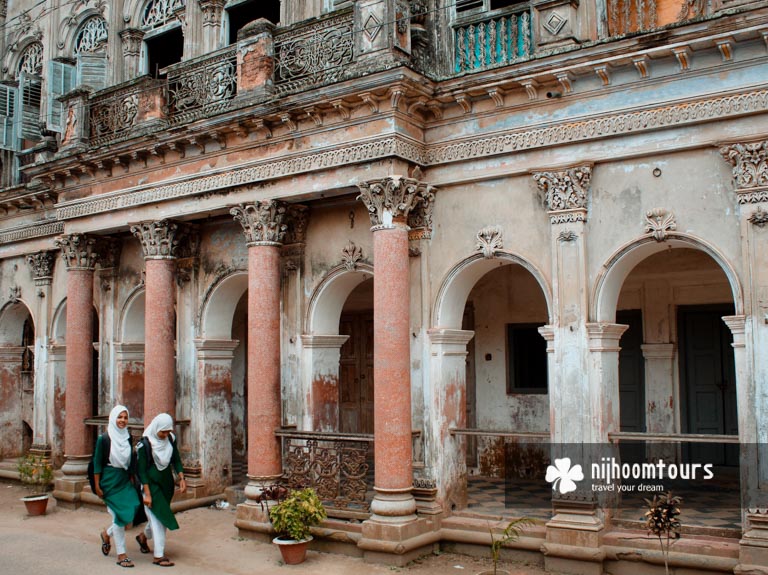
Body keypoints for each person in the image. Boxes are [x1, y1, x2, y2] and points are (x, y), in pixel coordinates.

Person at [135, 413, 186, 567]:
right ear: (156, 428)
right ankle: (159, 556)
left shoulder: (170, 439)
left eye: (167, 431)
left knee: (158, 515)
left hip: (166, 485)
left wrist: (182, 478)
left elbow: (176, 459)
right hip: (150, 486)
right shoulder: (144, 445)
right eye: (162, 432)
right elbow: (142, 471)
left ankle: (143, 537)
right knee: (159, 521)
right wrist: (147, 494)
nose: (165, 435)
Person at [94, 405, 142, 568]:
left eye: (125, 417)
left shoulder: (127, 437)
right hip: (109, 480)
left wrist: (130, 477)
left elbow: (128, 460)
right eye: (119, 417)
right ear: (113, 418)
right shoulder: (104, 439)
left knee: (133, 506)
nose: (122, 420)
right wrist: (97, 486)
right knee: (119, 516)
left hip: (123, 479)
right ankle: (122, 555)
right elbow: (97, 464)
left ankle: (106, 535)